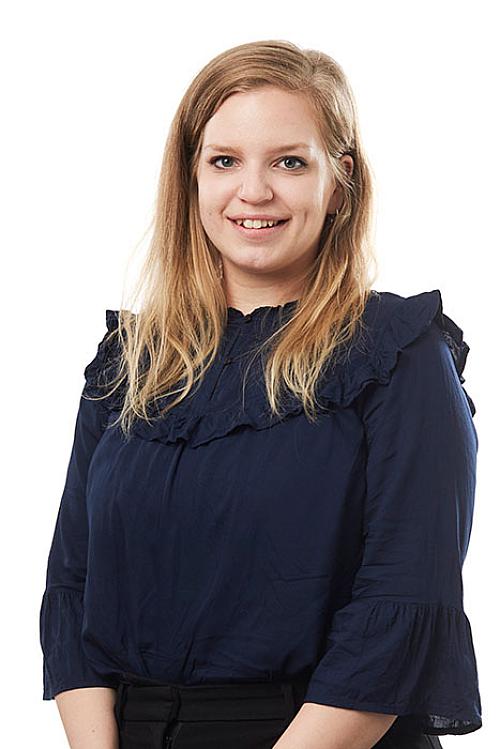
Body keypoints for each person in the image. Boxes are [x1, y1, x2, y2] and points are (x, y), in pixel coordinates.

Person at [39, 39, 482, 749]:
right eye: (224, 161)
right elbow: (72, 590)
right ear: (190, 177)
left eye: (289, 162)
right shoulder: (131, 362)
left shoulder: (399, 356)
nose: (253, 191)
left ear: (339, 181)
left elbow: (401, 613)